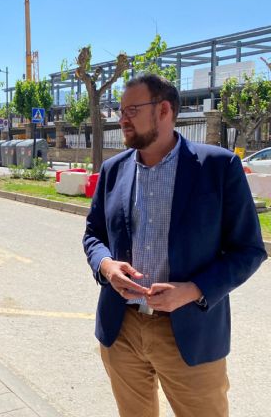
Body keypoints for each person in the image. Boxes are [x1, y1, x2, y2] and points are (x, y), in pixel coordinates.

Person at [83, 73, 267, 417]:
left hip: (190, 332)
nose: (121, 119)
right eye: (119, 110)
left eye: (131, 110)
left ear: (164, 109)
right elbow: (94, 235)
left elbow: (250, 250)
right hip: (121, 328)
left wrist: (194, 289)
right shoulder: (113, 170)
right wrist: (106, 266)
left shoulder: (218, 167)